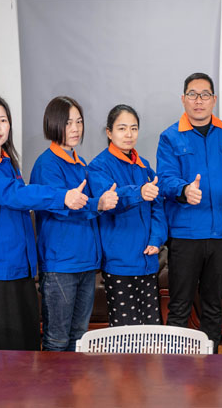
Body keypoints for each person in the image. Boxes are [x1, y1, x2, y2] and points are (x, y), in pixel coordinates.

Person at [0, 94, 88, 350]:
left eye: (3, 120)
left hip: (19, 271)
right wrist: (62, 196)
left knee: (26, 354)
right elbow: (14, 195)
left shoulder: (7, 164)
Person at [157, 73, 222, 353]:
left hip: (221, 235)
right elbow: (165, 179)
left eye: (205, 95)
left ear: (213, 100)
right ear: (183, 99)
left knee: (213, 305)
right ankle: (175, 367)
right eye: (192, 95)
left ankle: (212, 364)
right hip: (185, 234)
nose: (199, 100)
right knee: (180, 306)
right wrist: (184, 190)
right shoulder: (170, 137)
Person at [30, 96, 119, 351]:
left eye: (79, 122)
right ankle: (53, 381)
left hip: (85, 262)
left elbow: (94, 204)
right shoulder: (47, 164)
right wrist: (97, 204)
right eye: (68, 122)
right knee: (57, 339)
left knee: (80, 337)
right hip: (61, 264)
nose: (75, 128)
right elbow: (63, 208)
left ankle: (73, 381)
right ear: (54, 124)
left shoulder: (81, 164)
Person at [88, 104, 167, 326]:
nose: (129, 134)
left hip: (147, 260)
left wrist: (156, 240)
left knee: (151, 330)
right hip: (119, 263)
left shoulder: (144, 166)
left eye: (134, 128)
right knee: (125, 333)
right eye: (122, 128)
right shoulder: (98, 167)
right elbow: (110, 201)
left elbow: (158, 207)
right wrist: (139, 192)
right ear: (109, 132)